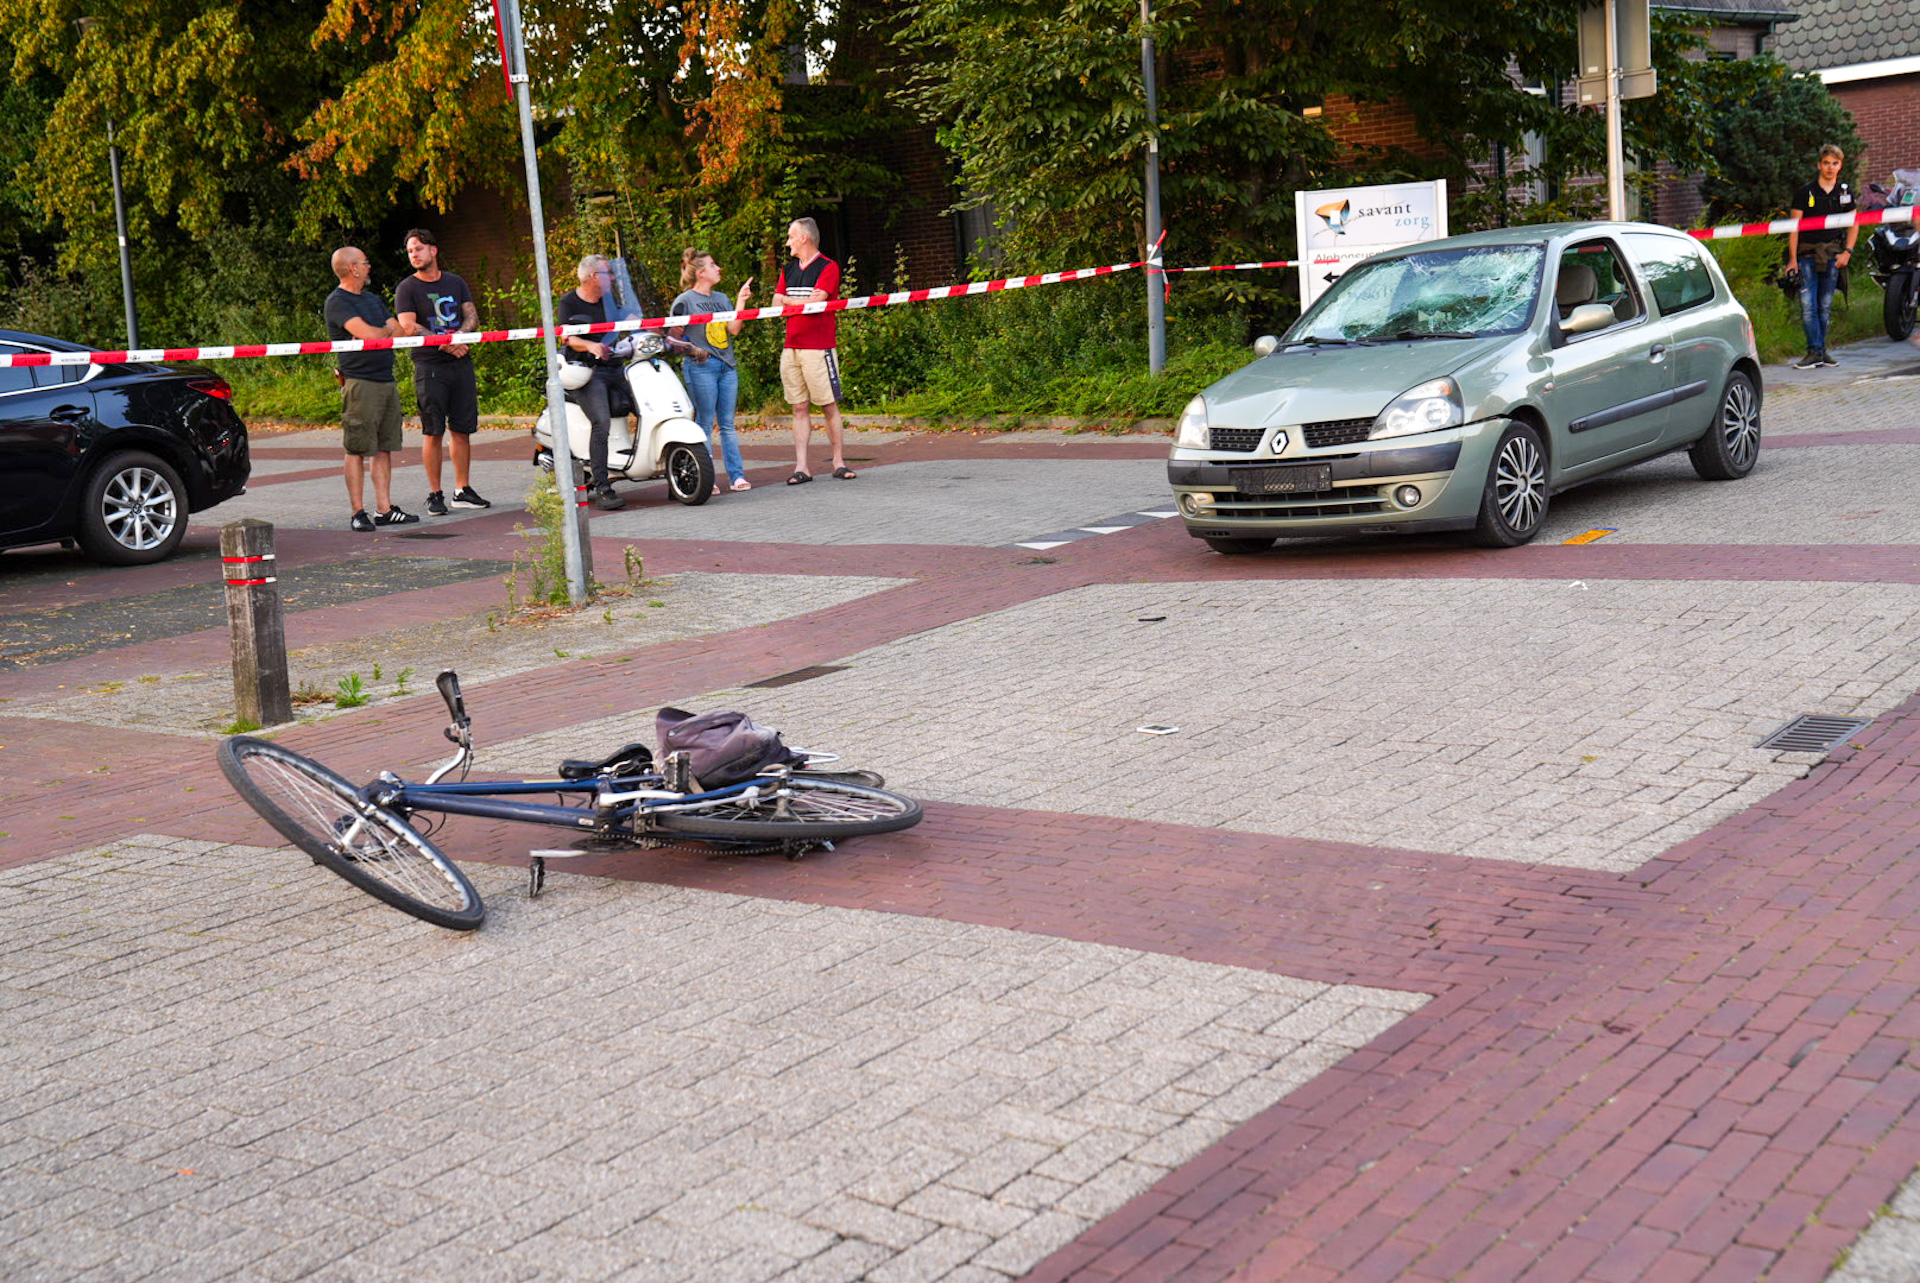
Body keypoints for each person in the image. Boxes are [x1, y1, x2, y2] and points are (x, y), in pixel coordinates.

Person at [324, 246, 419, 531]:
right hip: (360, 381)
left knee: (384, 447)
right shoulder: (338, 302)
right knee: (357, 448)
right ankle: (358, 512)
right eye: (365, 263)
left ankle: (384, 509)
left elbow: (399, 332)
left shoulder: (372, 300)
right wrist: (379, 331)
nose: (369, 267)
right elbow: (370, 335)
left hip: (385, 379)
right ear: (353, 268)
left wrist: (379, 331)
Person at [395, 228, 489, 516]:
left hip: (460, 364)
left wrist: (459, 337)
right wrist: (448, 344)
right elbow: (408, 325)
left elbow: (471, 315)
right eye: (410, 251)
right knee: (433, 431)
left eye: (418, 249)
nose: (414, 255)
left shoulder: (456, 282)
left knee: (462, 429)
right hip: (430, 365)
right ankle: (435, 493)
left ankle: (462, 489)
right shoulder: (407, 288)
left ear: (433, 250)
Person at [772, 218, 853, 484]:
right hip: (791, 347)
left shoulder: (828, 267)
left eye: (790, 236)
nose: (787, 242)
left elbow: (816, 304)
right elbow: (775, 304)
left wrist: (788, 300)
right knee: (799, 407)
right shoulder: (788, 269)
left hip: (818, 348)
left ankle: (839, 462)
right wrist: (793, 301)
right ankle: (802, 467)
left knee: (828, 405)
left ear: (804, 238)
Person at [671, 248, 755, 493]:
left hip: (727, 366)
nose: (718, 269)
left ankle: (737, 476)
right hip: (701, 368)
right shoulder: (684, 301)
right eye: (713, 265)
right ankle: (705, 479)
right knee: (705, 422)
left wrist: (741, 301)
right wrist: (692, 350)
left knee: (728, 423)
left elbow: (734, 329)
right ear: (700, 273)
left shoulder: (721, 298)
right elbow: (672, 338)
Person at [556, 255, 628, 510]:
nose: (613, 278)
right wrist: (590, 345)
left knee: (646, 402)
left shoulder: (611, 302)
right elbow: (567, 337)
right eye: (609, 273)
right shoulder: (569, 302)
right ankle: (603, 487)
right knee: (602, 421)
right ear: (594, 277)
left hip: (616, 365)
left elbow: (627, 323)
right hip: (588, 371)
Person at [1785, 144, 1857, 370]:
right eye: (1826, 163)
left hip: (1833, 256)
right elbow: (1794, 227)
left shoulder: (1844, 194)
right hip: (1806, 255)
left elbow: (1854, 224)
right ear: (1819, 165)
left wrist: (1848, 252)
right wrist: (1792, 259)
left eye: (1834, 163)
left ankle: (1821, 350)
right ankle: (1813, 351)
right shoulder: (1804, 193)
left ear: (1840, 166)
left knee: (1824, 306)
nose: (1830, 167)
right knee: (1808, 305)